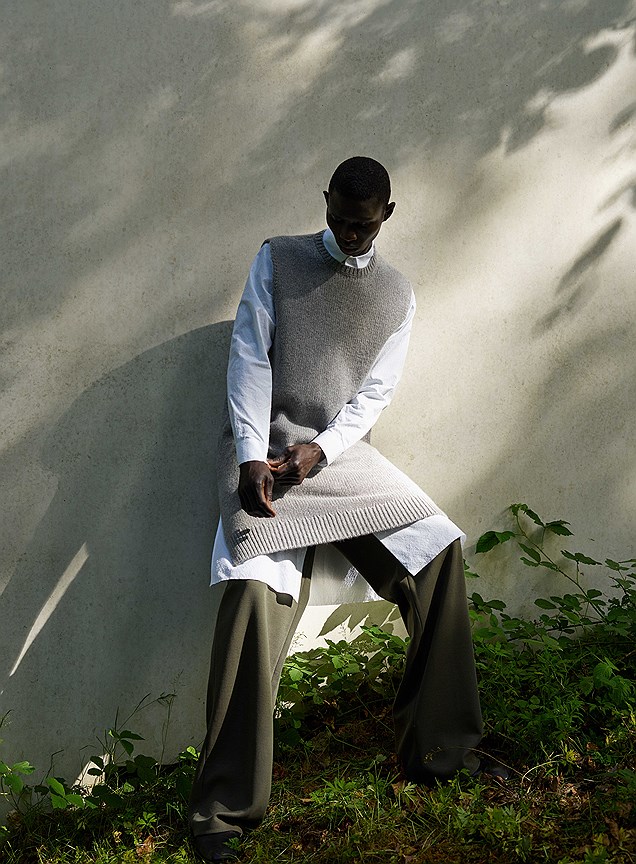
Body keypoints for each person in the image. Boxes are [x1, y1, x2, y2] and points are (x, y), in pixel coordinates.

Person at [189, 156, 497, 862]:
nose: (350, 235)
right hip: (261, 453)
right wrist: (251, 455)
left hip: (338, 458)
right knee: (252, 597)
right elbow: (249, 356)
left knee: (439, 550)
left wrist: (322, 450)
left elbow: (374, 394)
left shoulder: (397, 294)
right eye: (338, 219)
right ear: (325, 201)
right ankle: (222, 813)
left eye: (363, 225)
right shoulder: (278, 259)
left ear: (386, 215)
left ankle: (441, 752)